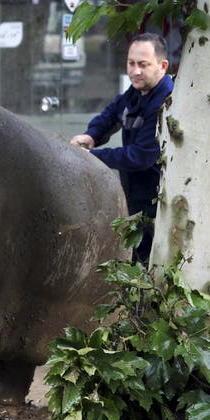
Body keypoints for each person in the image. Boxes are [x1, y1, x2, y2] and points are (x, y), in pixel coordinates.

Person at [70, 32, 173, 264]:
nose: (135, 71)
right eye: (131, 63)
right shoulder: (137, 91)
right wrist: (91, 135)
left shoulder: (166, 100)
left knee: (149, 263)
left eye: (143, 65)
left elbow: (140, 157)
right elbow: (113, 114)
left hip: (158, 203)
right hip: (136, 197)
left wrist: (91, 156)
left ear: (163, 65)